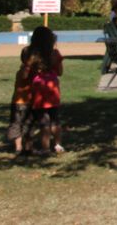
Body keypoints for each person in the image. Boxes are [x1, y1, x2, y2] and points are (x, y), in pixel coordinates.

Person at [28, 26, 65, 155]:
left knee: (44, 121)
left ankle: (45, 148)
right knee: (55, 118)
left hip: (39, 88)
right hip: (52, 87)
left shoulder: (33, 55)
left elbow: (29, 72)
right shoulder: (55, 53)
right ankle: (58, 144)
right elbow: (60, 72)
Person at [8, 47, 33, 157]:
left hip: (29, 102)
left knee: (28, 125)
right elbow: (24, 76)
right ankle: (18, 147)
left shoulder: (29, 69)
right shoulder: (24, 69)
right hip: (20, 102)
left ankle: (28, 147)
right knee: (18, 124)